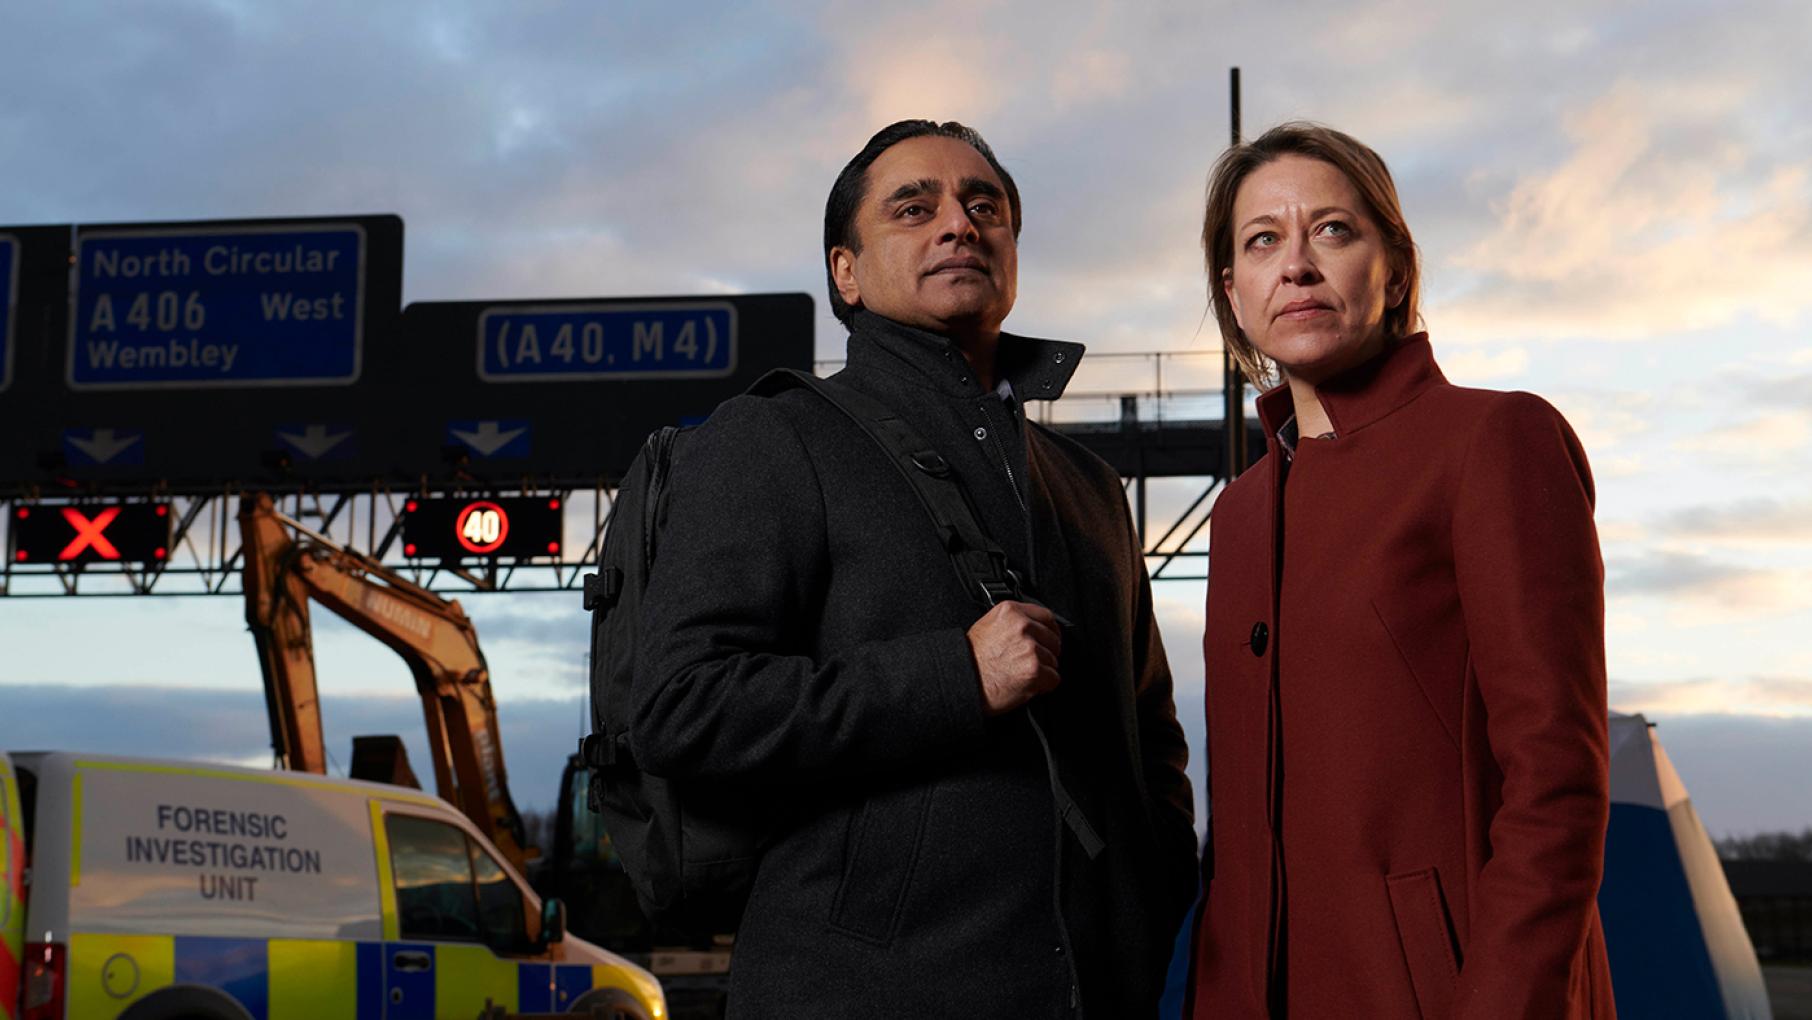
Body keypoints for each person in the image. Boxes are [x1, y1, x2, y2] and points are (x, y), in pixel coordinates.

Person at [632, 119, 1197, 1018]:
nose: (960, 224)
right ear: (845, 273)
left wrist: (1151, 908)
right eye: (913, 207)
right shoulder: (773, 438)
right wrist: (956, 678)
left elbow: (1151, 743)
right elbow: (680, 708)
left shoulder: (1088, 486)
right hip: (861, 991)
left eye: (986, 206)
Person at [1186, 123, 1616, 1019]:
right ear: (1234, 292)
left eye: (1333, 230)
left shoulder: (1494, 440)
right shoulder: (1239, 512)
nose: (1296, 264)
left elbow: (1557, 784)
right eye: (1262, 240)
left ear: (1394, 268)